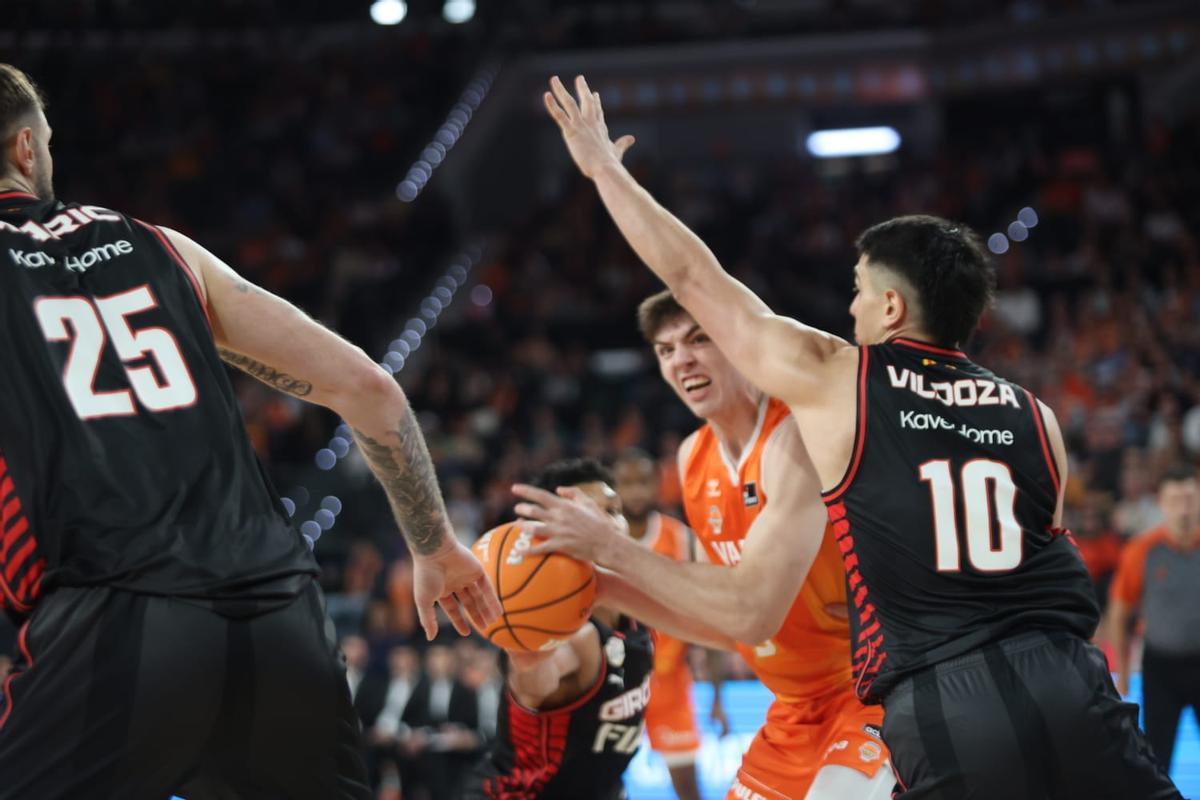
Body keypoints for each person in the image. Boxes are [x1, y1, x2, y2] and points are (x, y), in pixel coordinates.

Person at [541, 73, 1182, 799]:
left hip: (938, 693)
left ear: (888, 303)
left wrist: (602, 170)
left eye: (855, 289)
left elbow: (693, 276)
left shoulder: (842, 381)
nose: (847, 308)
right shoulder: (1037, 415)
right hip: (1067, 678)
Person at [0, 63, 501, 799]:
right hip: (282, 617)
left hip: (115, 627)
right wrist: (433, 545)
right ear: (25, 149)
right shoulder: (162, 247)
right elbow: (368, 386)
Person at [516, 300, 892, 800]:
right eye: (665, 349)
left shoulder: (795, 432)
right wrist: (601, 586)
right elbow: (727, 623)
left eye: (699, 340)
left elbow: (751, 612)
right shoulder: (694, 459)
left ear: (739, 343)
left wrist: (610, 548)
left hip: (870, 692)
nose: (682, 360)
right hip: (794, 708)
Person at [462, 459, 654, 800]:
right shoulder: (568, 633)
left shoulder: (639, 612)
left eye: (612, 510)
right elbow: (537, 682)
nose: (608, 525)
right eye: (587, 516)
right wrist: (528, 659)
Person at [612, 448, 727, 800]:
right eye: (627, 483)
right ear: (613, 487)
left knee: (689, 790)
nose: (635, 492)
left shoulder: (681, 539)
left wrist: (718, 696)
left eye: (643, 482)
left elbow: (709, 620)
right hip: (613, 682)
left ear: (658, 485)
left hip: (670, 681)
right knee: (602, 785)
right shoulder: (600, 540)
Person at [1109, 464, 1200, 773]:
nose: (1183, 508)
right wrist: (1121, 672)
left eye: (1189, 498)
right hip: (1161, 668)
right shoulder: (1142, 551)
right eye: (1174, 500)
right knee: (1156, 760)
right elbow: (1119, 612)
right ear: (1161, 504)